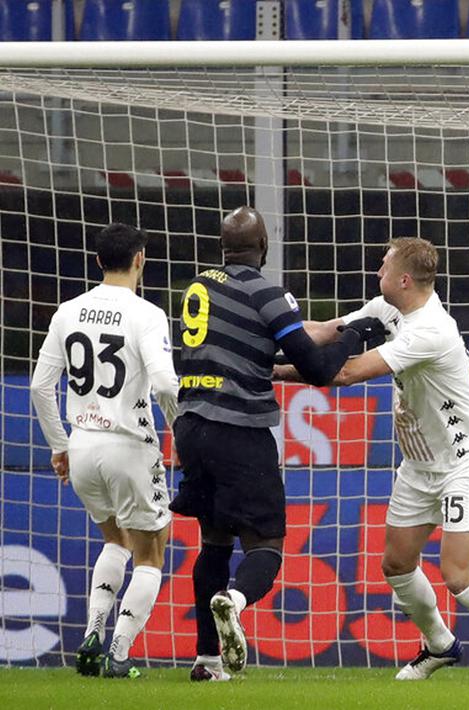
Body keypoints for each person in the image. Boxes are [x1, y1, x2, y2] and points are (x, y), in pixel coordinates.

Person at [276, 237, 469, 682]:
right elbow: (324, 331)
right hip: (419, 466)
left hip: (464, 461)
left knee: (457, 574)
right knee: (397, 565)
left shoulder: (431, 330)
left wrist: (270, 371)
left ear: (404, 278)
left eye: (383, 267)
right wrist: (267, 338)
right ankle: (439, 644)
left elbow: (343, 372)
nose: (376, 274)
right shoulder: (388, 310)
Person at [170, 206, 384, 681]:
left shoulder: (199, 285)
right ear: (264, 245)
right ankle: (236, 601)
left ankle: (206, 661)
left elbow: (277, 334)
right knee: (266, 545)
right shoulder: (268, 292)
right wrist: (359, 337)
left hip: (191, 427)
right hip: (240, 431)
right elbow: (317, 369)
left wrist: (340, 326)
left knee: (214, 541)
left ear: (223, 245)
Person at [31, 223, 179, 679]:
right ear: (140, 260)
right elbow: (164, 384)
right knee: (150, 554)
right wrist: (183, 435)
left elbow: (40, 386)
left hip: (82, 446)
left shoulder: (67, 311)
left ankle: (92, 635)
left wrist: (60, 447)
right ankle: (118, 653)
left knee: (115, 540)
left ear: (98, 262)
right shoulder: (147, 314)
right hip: (129, 446)